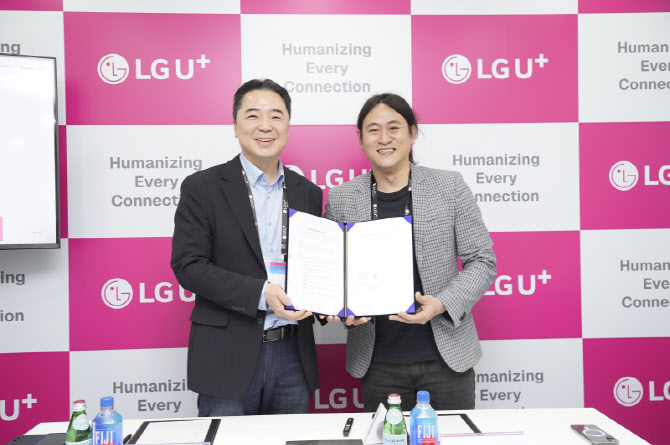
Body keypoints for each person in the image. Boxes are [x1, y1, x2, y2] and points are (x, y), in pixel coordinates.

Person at [324, 93, 496, 412]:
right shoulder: (342, 198)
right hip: (378, 363)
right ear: (360, 138)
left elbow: (482, 261)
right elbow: (333, 274)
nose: (384, 138)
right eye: (373, 129)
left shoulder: (449, 186)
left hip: (447, 359)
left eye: (394, 127)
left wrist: (442, 304)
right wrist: (344, 308)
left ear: (412, 133)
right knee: (386, 435)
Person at [171, 79, 323, 416]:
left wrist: (337, 303)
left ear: (288, 125)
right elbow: (189, 265)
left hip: (293, 354)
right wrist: (261, 293)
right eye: (253, 115)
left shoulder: (308, 193)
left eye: (276, 116)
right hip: (227, 355)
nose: (265, 126)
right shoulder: (203, 187)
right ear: (235, 126)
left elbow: (316, 266)